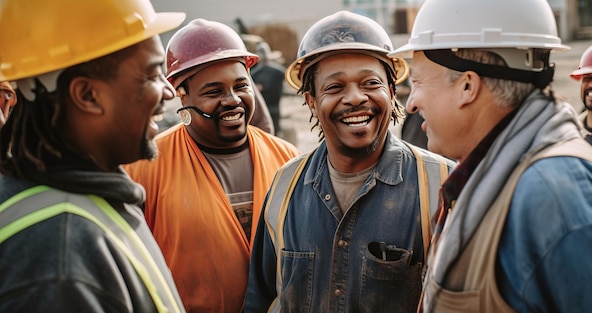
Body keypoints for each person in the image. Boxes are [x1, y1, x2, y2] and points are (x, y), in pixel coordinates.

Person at [390, 0, 592, 312]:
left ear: (467, 86)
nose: (412, 103)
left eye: (418, 82)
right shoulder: (503, 179)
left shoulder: (556, 199)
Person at [245, 11, 456, 312]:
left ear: (392, 92)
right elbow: (261, 298)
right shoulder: (284, 186)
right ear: (311, 101)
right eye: (335, 87)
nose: (355, 98)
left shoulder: (443, 184)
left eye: (370, 83)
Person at [0, 0, 186, 311]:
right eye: (152, 74)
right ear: (87, 95)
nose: (168, 91)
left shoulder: (82, 203)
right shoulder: (61, 265)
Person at [123, 19, 300, 312]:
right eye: (213, 91)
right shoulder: (146, 165)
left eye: (241, 86)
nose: (232, 100)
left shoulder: (286, 158)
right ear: (181, 95)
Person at [250, 39, 286, 136]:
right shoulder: (253, 74)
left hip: (275, 107)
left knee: (276, 132)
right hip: (262, 108)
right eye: (261, 52)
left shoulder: (278, 71)